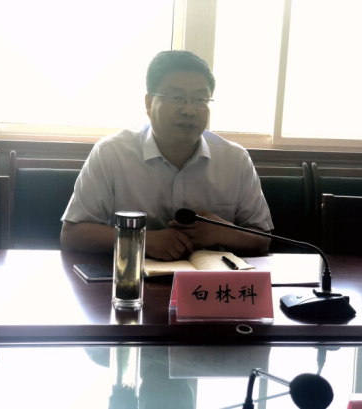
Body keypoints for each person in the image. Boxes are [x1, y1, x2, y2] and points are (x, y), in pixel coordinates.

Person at [61, 50, 273, 260]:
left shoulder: (235, 160)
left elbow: (263, 239)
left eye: (200, 99)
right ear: (149, 103)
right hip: (131, 277)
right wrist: (143, 240)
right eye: (176, 97)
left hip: (210, 279)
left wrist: (223, 232)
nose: (189, 110)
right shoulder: (111, 153)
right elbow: (72, 234)